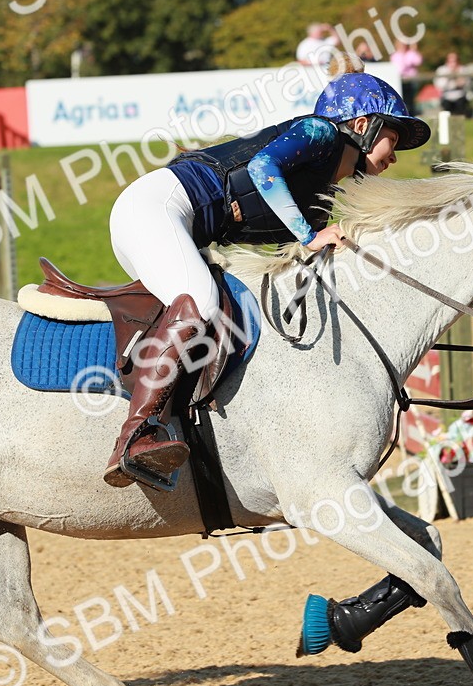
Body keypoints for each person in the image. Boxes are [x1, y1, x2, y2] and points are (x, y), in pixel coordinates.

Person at [102, 58, 430, 487]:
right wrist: (310, 235)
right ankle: (135, 436)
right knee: (199, 300)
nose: (395, 156)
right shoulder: (322, 132)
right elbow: (262, 169)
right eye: (394, 137)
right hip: (156, 209)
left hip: (171, 223)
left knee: (224, 307)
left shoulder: (322, 189)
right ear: (363, 124)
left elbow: (294, 258)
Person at [434, 51, 470, 116]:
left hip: (460, 96)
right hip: (446, 97)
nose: (453, 64)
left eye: (455, 61)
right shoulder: (442, 70)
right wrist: (449, 77)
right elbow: (439, 85)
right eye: (451, 61)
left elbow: (467, 83)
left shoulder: (463, 69)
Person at [389, 40, 423, 110]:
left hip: (411, 81)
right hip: (400, 81)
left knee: (411, 101)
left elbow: (418, 61)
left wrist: (414, 50)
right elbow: (400, 69)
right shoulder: (395, 56)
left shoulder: (410, 54)